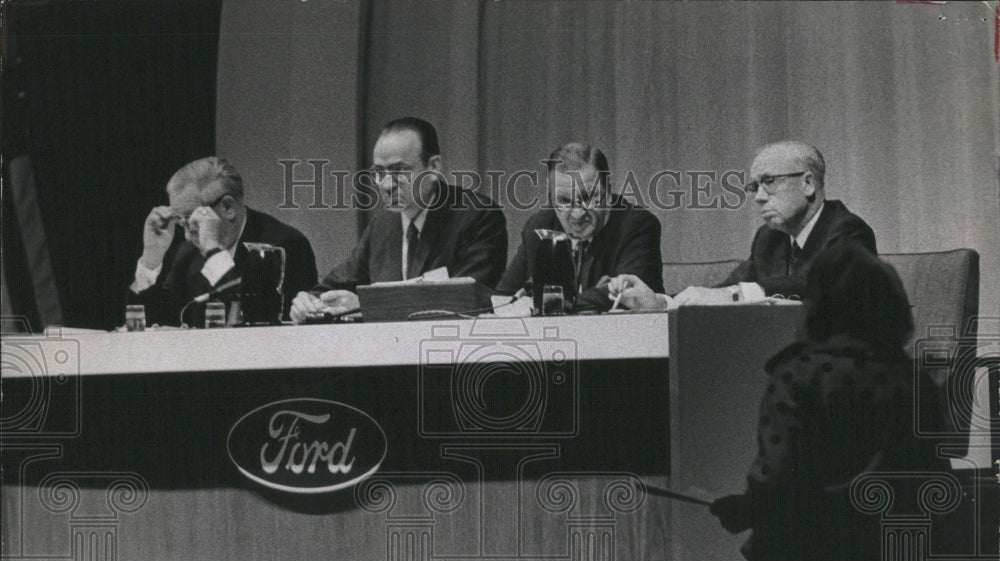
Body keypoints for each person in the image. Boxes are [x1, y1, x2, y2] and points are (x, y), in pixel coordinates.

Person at [708, 242, 949, 561]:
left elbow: (776, 478)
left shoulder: (797, 375)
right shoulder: (916, 383)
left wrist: (743, 509)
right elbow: (932, 480)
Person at [608, 140, 876, 309]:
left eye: (769, 182)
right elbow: (725, 290)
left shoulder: (849, 231)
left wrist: (735, 295)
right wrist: (660, 302)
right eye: (755, 187)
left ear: (808, 183)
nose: (759, 198)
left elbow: (815, 287)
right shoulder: (768, 238)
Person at [290, 118, 507, 323]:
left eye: (399, 170)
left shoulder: (478, 216)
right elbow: (335, 285)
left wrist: (367, 305)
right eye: (379, 172)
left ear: (433, 167)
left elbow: (464, 301)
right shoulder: (382, 226)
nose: (385, 185)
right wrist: (308, 302)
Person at [128, 156, 317, 326]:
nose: (186, 235)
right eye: (179, 221)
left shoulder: (285, 245)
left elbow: (258, 324)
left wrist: (213, 251)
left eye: (191, 219)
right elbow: (154, 323)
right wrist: (150, 259)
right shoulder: (187, 254)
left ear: (228, 207)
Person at [495, 142, 663, 311]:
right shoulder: (539, 226)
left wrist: (546, 303)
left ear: (609, 193)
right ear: (550, 198)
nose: (577, 213)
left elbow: (626, 297)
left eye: (588, 198)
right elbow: (503, 299)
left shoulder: (638, 225)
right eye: (564, 201)